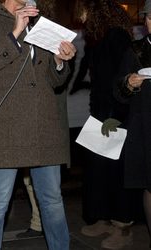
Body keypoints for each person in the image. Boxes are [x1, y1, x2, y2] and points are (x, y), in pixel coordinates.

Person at [0, 0, 76, 249]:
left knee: (52, 201)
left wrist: (60, 61)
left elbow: (55, 80)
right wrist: (15, 32)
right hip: (6, 127)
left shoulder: (41, 20)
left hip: (44, 125)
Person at [73, 0, 139, 249]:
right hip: (101, 113)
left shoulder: (117, 38)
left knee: (116, 173)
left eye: (84, 12)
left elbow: (123, 79)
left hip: (116, 115)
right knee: (98, 171)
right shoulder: (99, 38)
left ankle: (123, 227)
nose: (80, 17)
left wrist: (115, 115)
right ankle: (102, 217)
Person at [112, 1, 151, 248]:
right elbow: (117, 91)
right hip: (147, 129)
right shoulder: (136, 51)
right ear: (146, 21)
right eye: (150, 17)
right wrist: (129, 82)